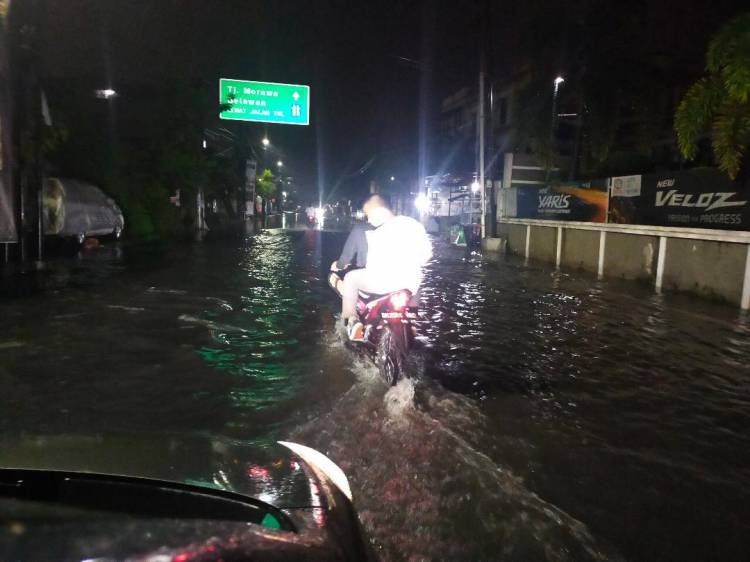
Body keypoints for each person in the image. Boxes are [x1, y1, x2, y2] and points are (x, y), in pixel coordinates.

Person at [335, 194, 432, 340]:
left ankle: (351, 321)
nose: (368, 220)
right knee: (419, 284)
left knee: (350, 278)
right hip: (410, 285)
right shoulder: (415, 225)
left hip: (385, 283)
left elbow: (373, 266)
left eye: (369, 215)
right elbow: (427, 256)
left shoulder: (379, 233)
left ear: (379, 211)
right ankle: (412, 322)